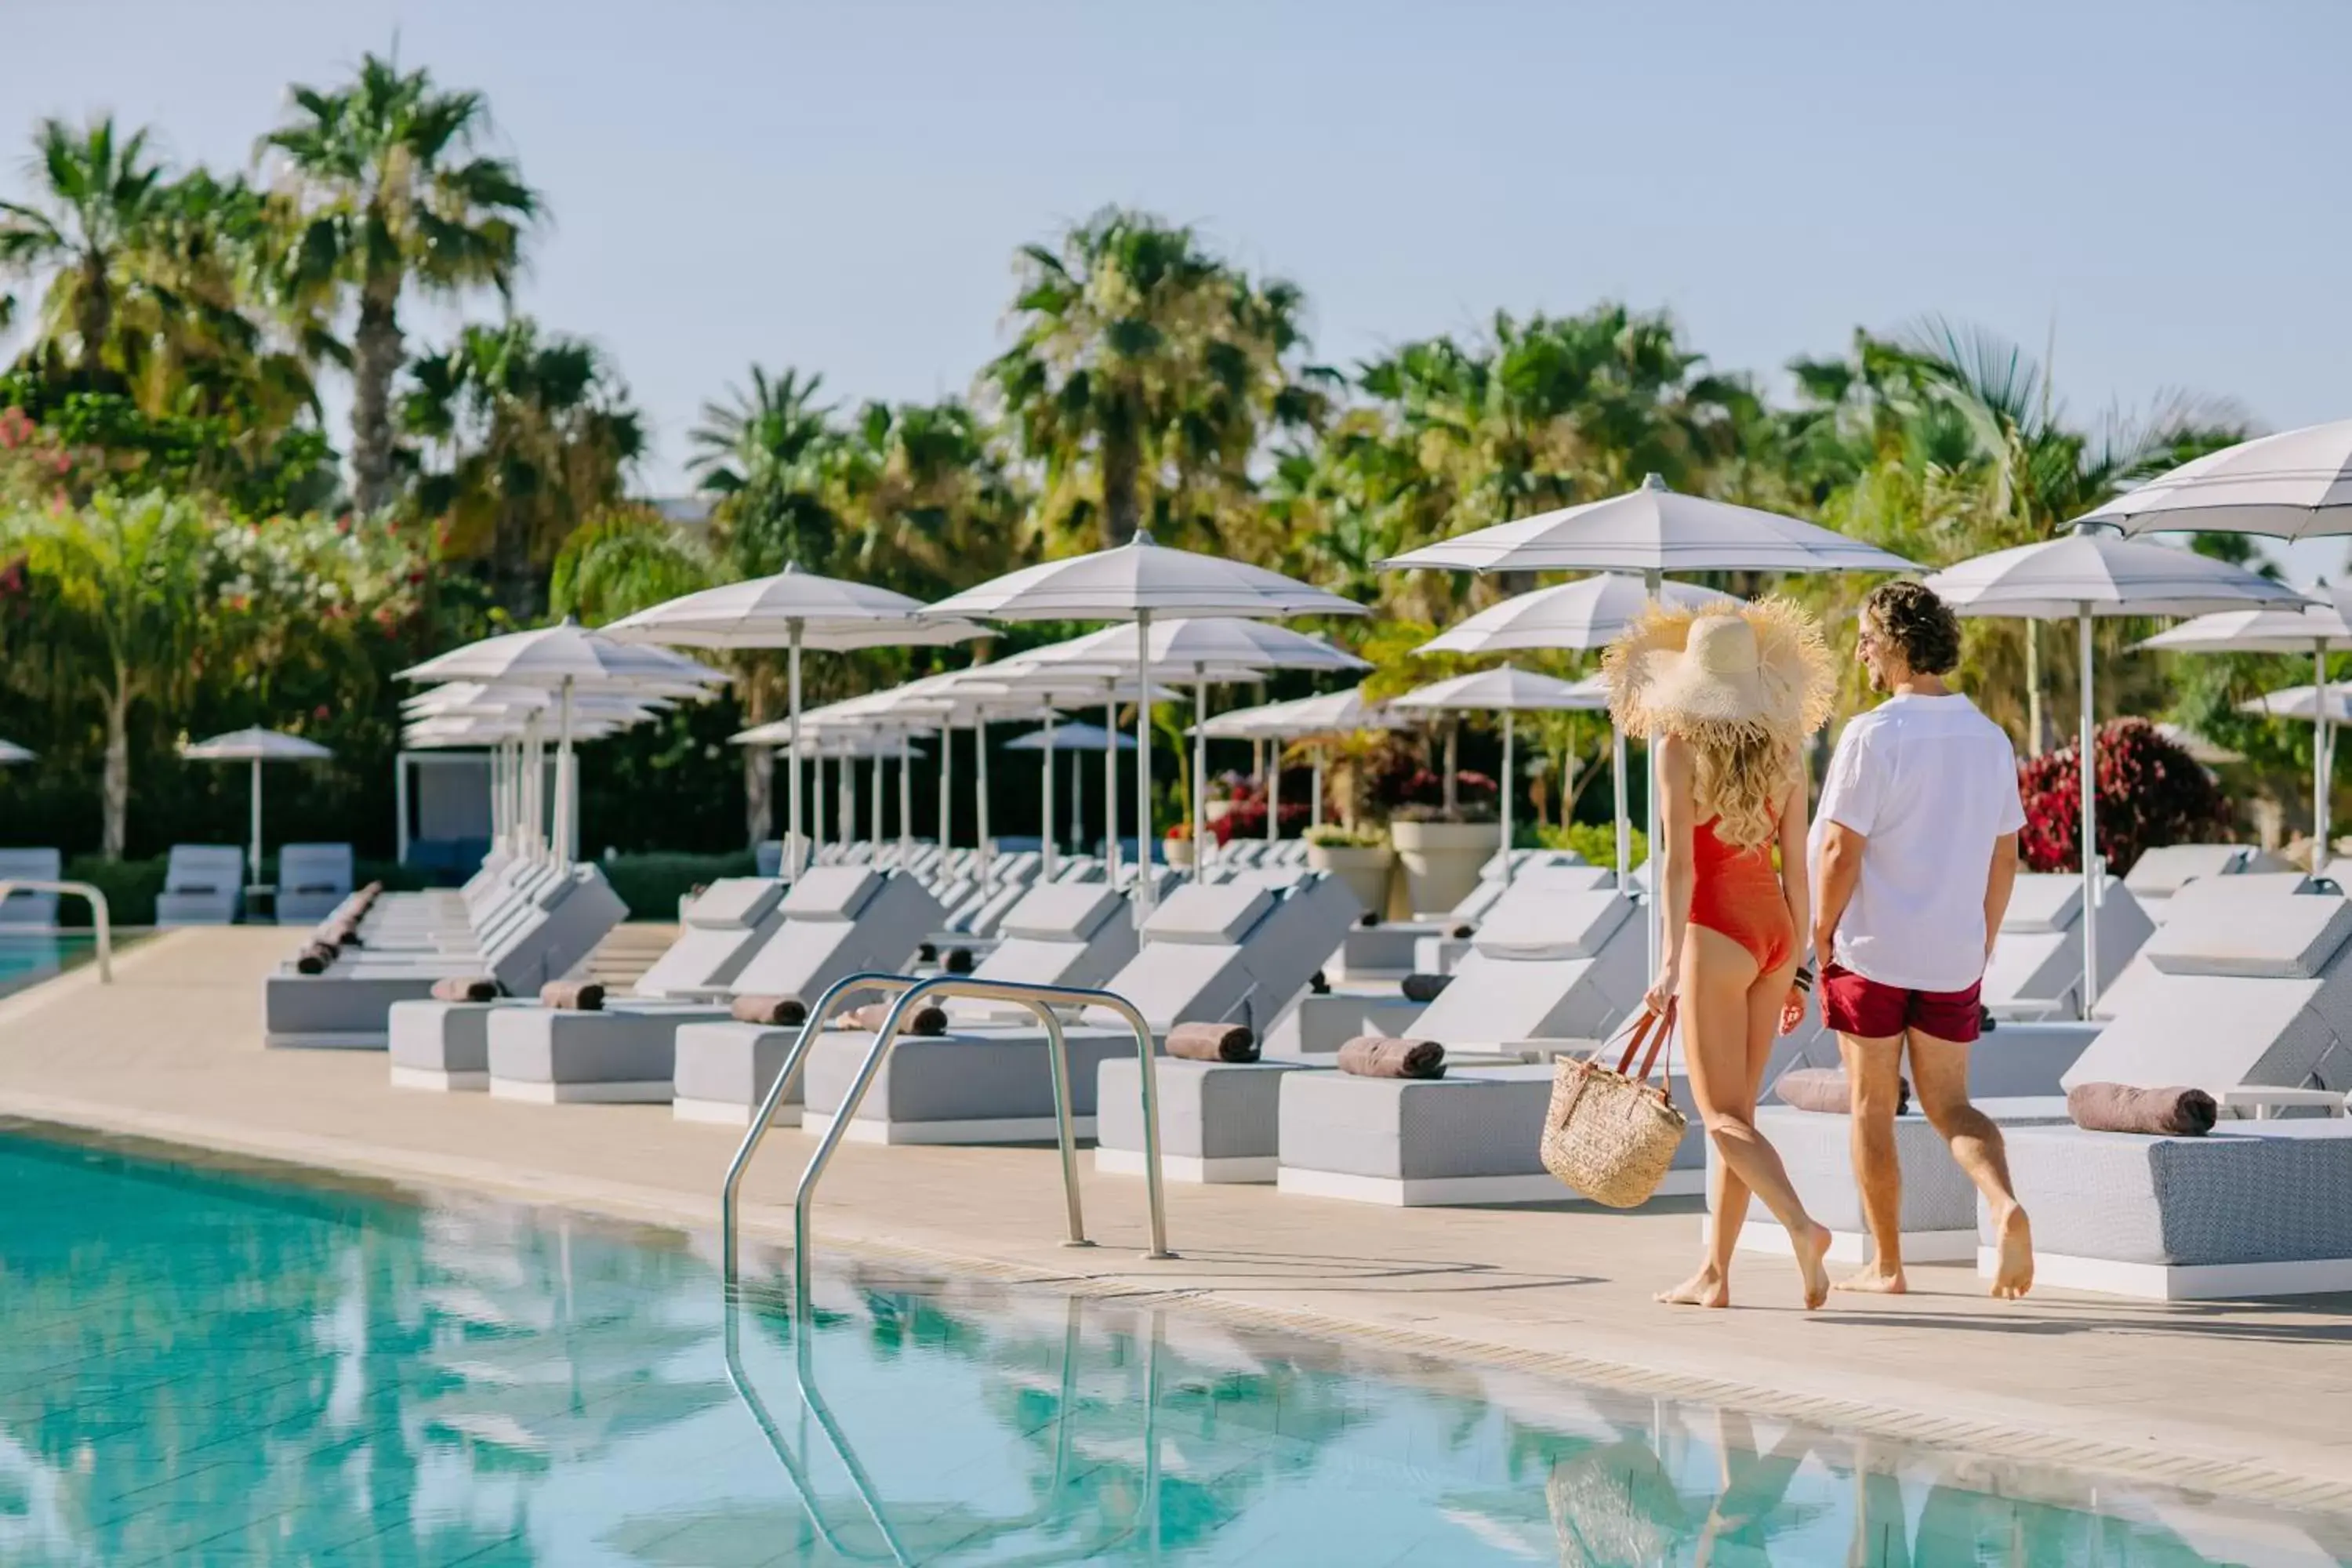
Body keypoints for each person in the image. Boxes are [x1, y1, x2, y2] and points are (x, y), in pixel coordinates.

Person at [1605, 597, 1839, 1310]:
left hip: (1714, 933)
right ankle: (1716, 1273)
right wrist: (1800, 963)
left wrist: (1671, 962)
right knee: (1739, 1118)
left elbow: (1678, 867)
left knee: (1721, 1119)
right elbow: (1797, 871)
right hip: (1772, 932)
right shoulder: (1788, 754)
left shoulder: (1677, 749)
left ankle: (1802, 1227)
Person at [1809, 580, 2034, 1300]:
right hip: (1951, 957)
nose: (1861, 653)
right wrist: (1984, 938)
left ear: (1898, 644)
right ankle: (2002, 1204)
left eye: (1867, 640)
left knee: (1872, 1106)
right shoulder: (1991, 739)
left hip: (1871, 952)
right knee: (1951, 1107)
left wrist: (1819, 934)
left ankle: (1886, 1263)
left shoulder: (1873, 734)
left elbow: (1841, 850)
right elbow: (2006, 858)